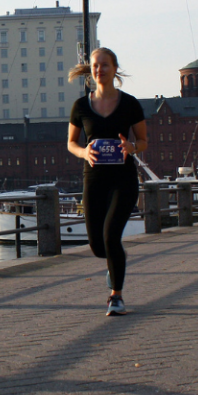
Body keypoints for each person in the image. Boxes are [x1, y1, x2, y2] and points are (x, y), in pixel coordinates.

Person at [67, 48, 148, 316]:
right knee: (98, 245)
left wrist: (131, 147)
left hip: (123, 179)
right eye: (94, 66)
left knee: (112, 236)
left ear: (114, 68)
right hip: (94, 179)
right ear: (90, 70)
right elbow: (71, 143)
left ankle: (116, 297)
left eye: (104, 65)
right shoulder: (80, 106)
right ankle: (114, 264)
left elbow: (144, 141)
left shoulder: (130, 104)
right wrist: (84, 152)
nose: (99, 70)